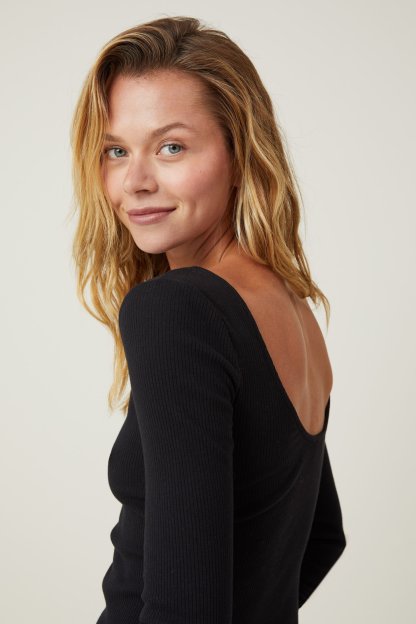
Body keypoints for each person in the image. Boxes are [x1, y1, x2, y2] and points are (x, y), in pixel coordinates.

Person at [70, 15, 347, 624]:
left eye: (171, 147)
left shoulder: (178, 309)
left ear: (239, 153)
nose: (135, 182)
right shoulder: (291, 307)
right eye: (116, 151)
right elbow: (321, 539)